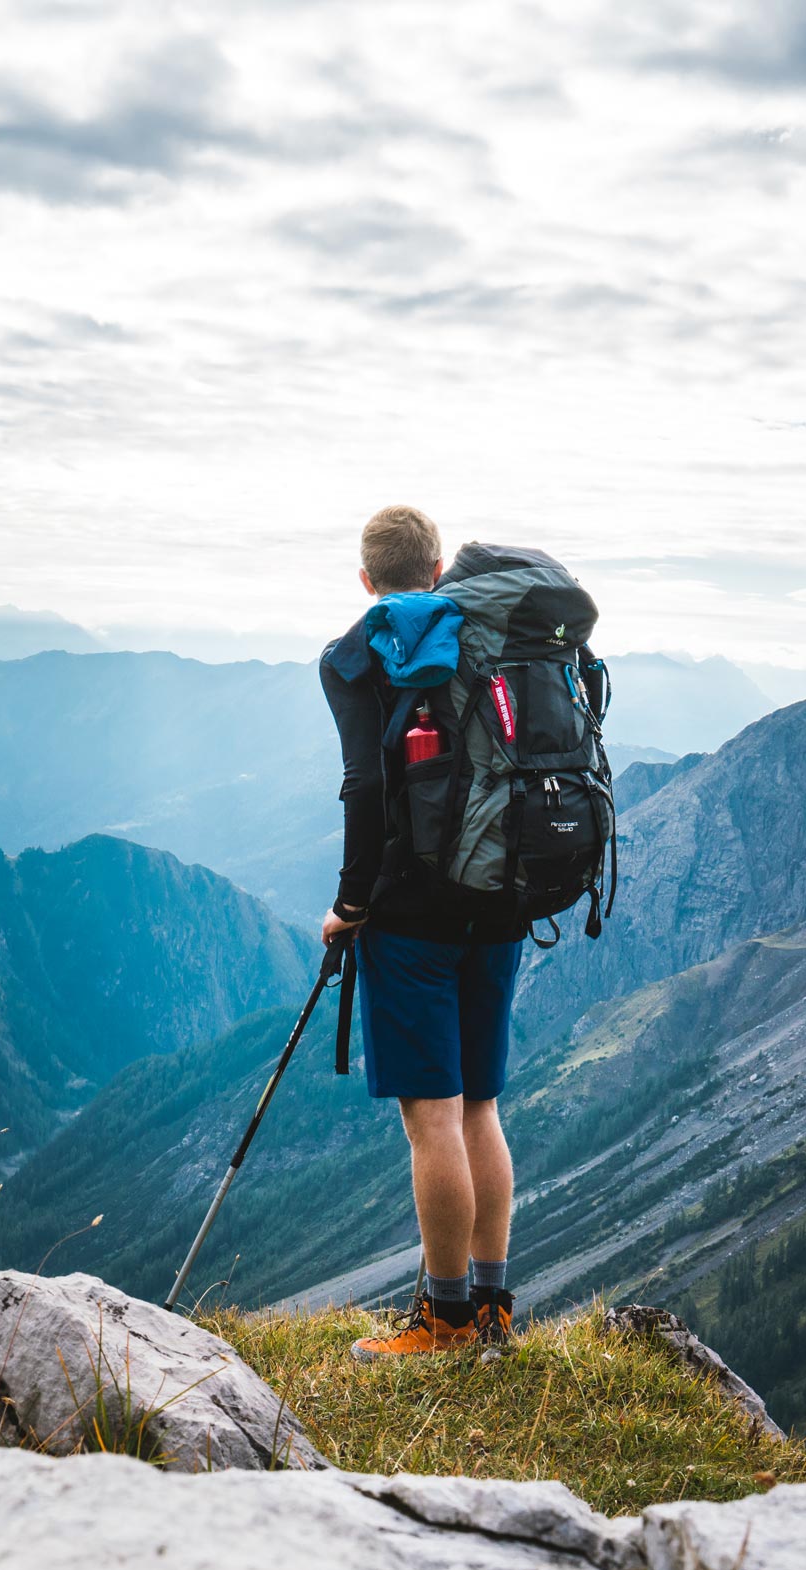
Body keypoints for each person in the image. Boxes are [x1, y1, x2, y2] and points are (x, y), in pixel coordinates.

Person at [320, 505, 523, 1359]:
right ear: (439, 570)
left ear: (366, 580)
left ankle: (442, 1325)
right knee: (480, 1104)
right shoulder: (492, 641)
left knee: (431, 1117)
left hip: (411, 917)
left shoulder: (353, 656)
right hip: (505, 900)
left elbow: (366, 787)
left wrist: (351, 904)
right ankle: (492, 1309)